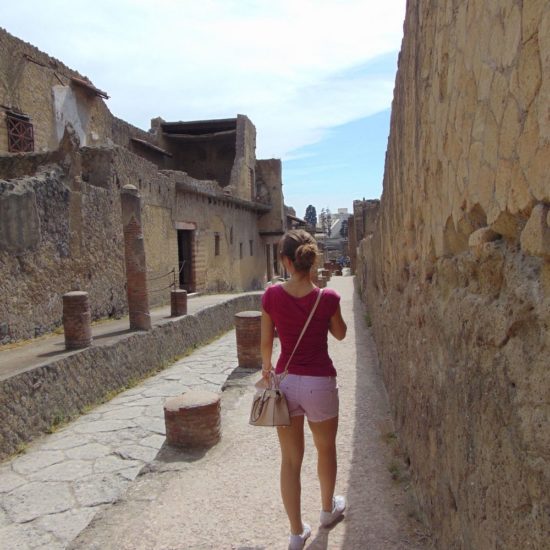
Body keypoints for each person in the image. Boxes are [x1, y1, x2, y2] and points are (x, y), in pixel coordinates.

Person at [261, 229, 348, 550]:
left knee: (290, 461)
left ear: (285, 261)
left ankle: (297, 533)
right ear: (311, 260)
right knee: (326, 449)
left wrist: (267, 368)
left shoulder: (270, 296)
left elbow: (266, 344)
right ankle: (327, 511)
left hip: (286, 382)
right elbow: (340, 334)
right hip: (319, 382)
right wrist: (327, 314)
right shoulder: (327, 299)